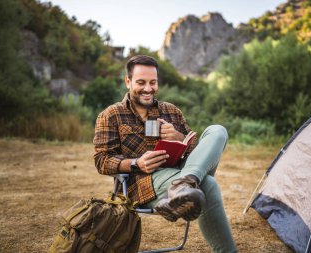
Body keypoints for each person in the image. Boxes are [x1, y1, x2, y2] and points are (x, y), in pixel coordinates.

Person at [93, 55, 237, 253]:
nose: (148, 88)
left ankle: (184, 184)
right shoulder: (111, 115)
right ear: (128, 81)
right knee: (208, 184)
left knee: (217, 130)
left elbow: (199, 155)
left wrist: (179, 137)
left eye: (153, 82)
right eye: (141, 82)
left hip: (179, 173)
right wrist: (136, 163)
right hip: (142, 186)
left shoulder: (171, 111)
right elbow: (101, 160)